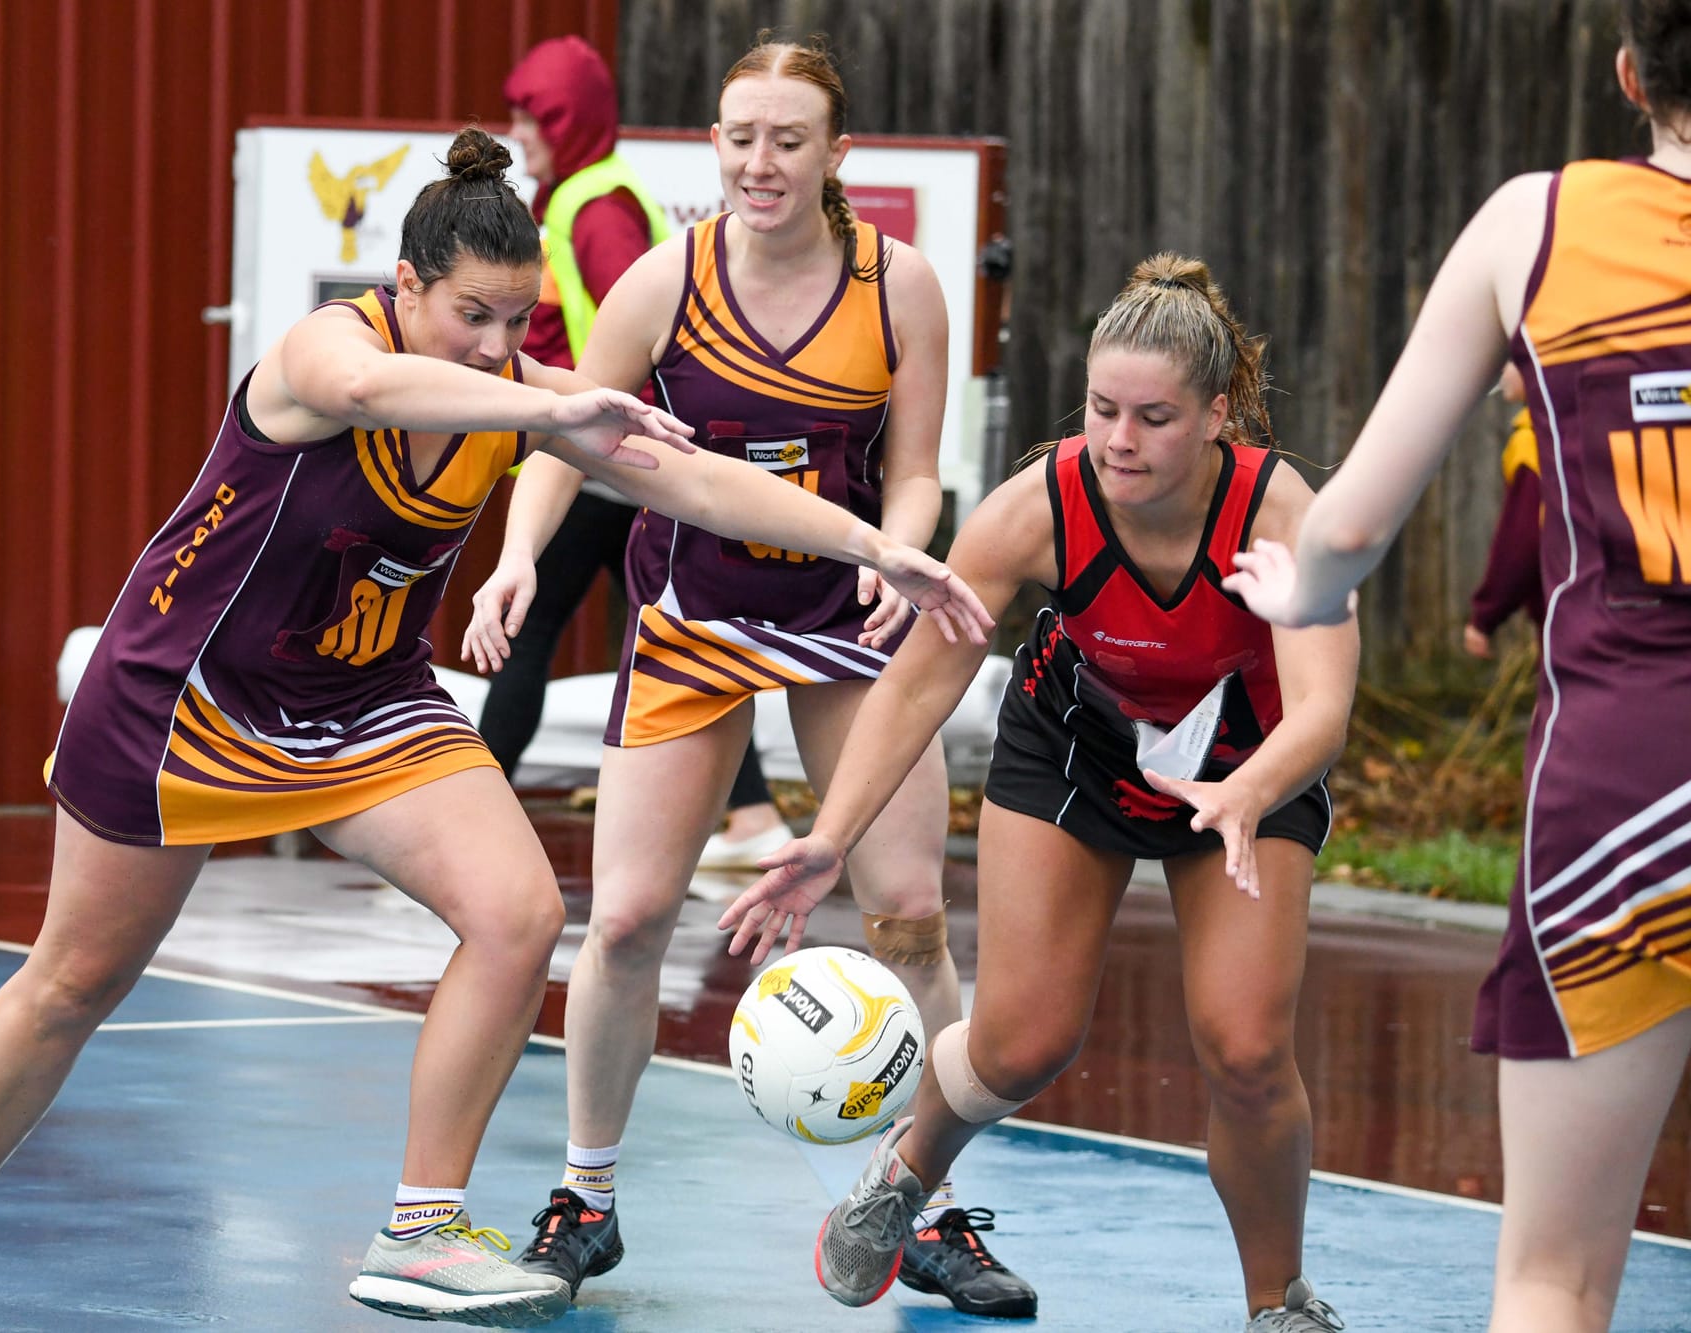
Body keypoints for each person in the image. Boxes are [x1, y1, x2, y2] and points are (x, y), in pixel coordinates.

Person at [0, 127, 993, 1333]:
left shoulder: (520, 393)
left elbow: (698, 479)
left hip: (367, 702)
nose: (500, 345)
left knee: (518, 914)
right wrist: (542, 402)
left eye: (520, 321)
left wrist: (876, 546)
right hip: (185, 696)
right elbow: (365, 393)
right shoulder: (327, 350)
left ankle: (421, 1227)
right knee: (76, 979)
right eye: (471, 315)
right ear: (404, 287)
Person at [463, 36, 1037, 1319]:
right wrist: (514, 556)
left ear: (838, 154)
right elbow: (566, 435)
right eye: (737, 138)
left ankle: (921, 1207)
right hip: (692, 614)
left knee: (906, 917)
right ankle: (585, 1198)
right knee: (620, 920)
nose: (759, 163)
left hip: (842, 613)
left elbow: (911, 468)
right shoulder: (664, 280)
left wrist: (903, 548)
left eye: (787, 140)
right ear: (709, 145)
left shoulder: (902, 287)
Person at [720, 254, 1361, 1330]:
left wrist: (1246, 791)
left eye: (1153, 417)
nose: (1119, 440)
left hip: (1248, 773)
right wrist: (830, 837)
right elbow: (919, 680)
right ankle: (903, 1175)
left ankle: (1276, 1304)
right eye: (1103, 409)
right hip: (1076, 747)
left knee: (1246, 1047)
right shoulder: (1041, 507)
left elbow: (1321, 710)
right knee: (1022, 1039)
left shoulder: (1278, 510)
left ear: (1215, 414)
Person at [1213, 6, 1691, 1329]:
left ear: (1631, 73)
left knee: (1555, 1277)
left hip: (1632, 789)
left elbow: (1353, 524)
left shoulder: (1540, 224)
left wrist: (1294, 586)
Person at [472, 36, 791, 865]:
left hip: (604, 452)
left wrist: (602, 425)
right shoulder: (582, 193)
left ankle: (475, 816)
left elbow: (633, 325)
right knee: (672, 623)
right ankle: (754, 818)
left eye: (533, 115)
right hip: (613, 451)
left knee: (531, 621)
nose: (520, 131)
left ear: (568, 118)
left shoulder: (593, 206)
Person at [1463, 363, 1545, 658]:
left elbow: (1522, 541)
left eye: (1513, 360)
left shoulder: (1534, 442)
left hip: (1568, 620)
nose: (1503, 371)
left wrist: (1485, 616)